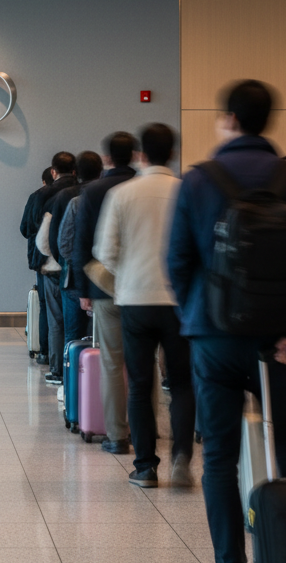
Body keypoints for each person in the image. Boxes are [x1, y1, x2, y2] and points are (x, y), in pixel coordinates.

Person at [167, 80, 286, 563]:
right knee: (284, 445)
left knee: (219, 457)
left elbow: (178, 262)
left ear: (229, 119)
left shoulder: (198, 181)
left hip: (214, 339)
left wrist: (201, 315)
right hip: (279, 341)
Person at [95, 124, 194, 488]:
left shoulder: (123, 193)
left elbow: (105, 252)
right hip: (179, 303)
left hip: (135, 299)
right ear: (172, 153)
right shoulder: (187, 193)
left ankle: (146, 466)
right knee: (182, 383)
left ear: (141, 155)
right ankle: (181, 456)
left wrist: (128, 274)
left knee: (139, 384)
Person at [72, 132, 137, 452]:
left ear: (107, 159)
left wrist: (84, 289)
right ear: (136, 155)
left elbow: (81, 245)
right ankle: (144, 431)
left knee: (112, 362)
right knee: (144, 362)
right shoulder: (141, 189)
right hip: (143, 287)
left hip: (104, 287)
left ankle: (117, 434)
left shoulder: (95, 190)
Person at [36, 152, 80, 383]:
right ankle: (84, 372)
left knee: (57, 321)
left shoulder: (49, 196)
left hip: (55, 267)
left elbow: (43, 237)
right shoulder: (91, 194)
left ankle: (59, 369)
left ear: (53, 171)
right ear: (75, 171)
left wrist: (59, 258)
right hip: (88, 270)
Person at [54, 151, 103, 349]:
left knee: (73, 336)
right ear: (100, 172)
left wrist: (74, 262)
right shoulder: (111, 196)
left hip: (74, 278)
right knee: (100, 338)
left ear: (77, 173)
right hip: (104, 279)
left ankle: (72, 378)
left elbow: (63, 242)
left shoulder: (73, 200)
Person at [20, 166, 58, 365]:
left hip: (42, 259)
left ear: (45, 180)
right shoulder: (74, 193)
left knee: (45, 306)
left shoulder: (37, 196)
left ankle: (45, 352)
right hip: (67, 261)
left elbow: (24, 228)